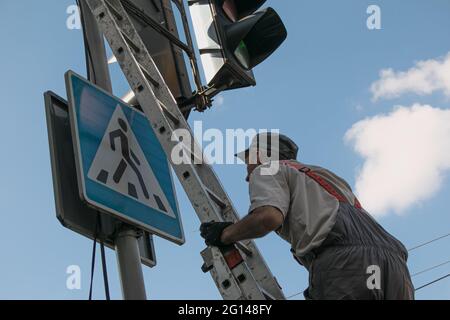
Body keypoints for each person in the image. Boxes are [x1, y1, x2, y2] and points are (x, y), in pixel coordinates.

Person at [200, 133, 414, 300]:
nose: (247, 176)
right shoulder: (324, 176)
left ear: (259, 154)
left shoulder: (266, 169)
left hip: (345, 261)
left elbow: (268, 217)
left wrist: (225, 234)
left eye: (247, 162)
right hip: (394, 264)